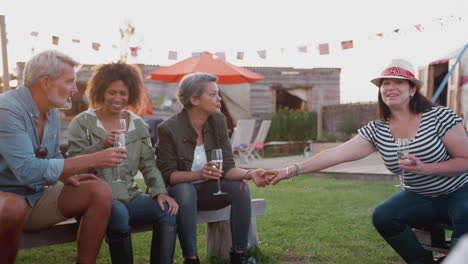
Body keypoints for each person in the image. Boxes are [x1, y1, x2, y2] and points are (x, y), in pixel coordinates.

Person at [265, 59, 468, 264]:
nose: (390, 88)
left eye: (398, 82)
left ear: (412, 89)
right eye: (385, 83)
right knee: (383, 216)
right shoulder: (377, 129)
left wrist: (427, 168)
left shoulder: (439, 117)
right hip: (419, 196)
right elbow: (336, 153)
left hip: (459, 191)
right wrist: (290, 170)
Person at [0, 50, 127, 264]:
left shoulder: (51, 112)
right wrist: (93, 159)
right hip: (6, 201)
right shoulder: (6, 110)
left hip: (35, 198)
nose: (75, 89)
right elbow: (28, 171)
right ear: (46, 82)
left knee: (99, 190)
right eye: (70, 82)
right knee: (13, 206)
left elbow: (53, 155)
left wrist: (67, 176)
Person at [67, 62, 178, 264]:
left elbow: (148, 164)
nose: (118, 98)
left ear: (131, 94)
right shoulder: (82, 123)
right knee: (118, 211)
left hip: (130, 194)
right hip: (95, 199)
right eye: (112, 92)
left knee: (166, 211)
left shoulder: (138, 124)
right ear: (101, 91)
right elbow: (73, 164)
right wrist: (100, 146)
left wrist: (160, 191)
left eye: (123, 93)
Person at [156, 72, 270, 264]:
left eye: (218, 94)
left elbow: (228, 168)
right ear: (194, 99)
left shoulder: (218, 121)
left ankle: (238, 255)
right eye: (212, 94)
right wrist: (198, 174)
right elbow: (169, 176)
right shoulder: (168, 128)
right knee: (185, 190)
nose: (219, 99)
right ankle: (191, 258)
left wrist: (251, 174)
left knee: (240, 187)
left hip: (210, 192)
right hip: (181, 197)